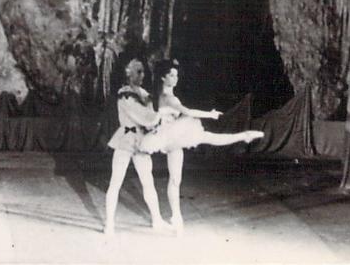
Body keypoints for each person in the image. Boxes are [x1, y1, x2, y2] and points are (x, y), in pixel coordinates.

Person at [139, 59, 264, 232]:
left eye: (176, 75)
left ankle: (176, 217)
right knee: (208, 137)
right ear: (163, 78)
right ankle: (244, 136)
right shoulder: (168, 98)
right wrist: (210, 114)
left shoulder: (162, 95)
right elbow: (188, 112)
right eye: (172, 75)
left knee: (176, 179)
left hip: (173, 137)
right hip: (170, 134)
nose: (176, 78)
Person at [103, 57, 169, 235]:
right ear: (128, 73)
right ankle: (109, 224)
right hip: (126, 139)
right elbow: (142, 116)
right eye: (138, 72)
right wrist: (159, 116)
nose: (142, 75)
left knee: (148, 181)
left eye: (143, 72)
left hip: (140, 140)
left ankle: (157, 220)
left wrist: (159, 118)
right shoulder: (124, 94)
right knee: (116, 182)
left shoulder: (144, 93)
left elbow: (150, 117)